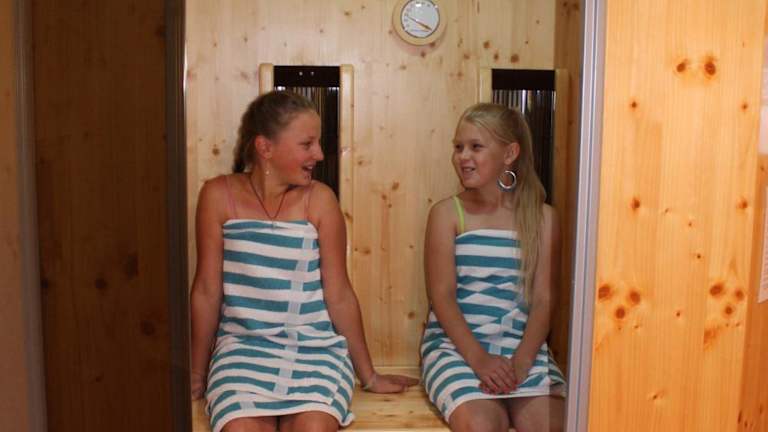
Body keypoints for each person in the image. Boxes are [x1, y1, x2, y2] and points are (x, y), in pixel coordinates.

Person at [190, 90, 418, 432]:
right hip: (242, 352)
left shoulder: (320, 200)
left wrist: (368, 376)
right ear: (265, 148)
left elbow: (339, 294)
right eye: (307, 144)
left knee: (313, 428)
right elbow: (207, 291)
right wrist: (196, 373)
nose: (320, 154)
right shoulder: (218, 196)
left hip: (315, 351)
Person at [420, 103, 566, 432]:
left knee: (550, 425)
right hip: (457, 349)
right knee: (482, 425)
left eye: (476, 147)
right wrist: (480, 360)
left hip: (522, 348)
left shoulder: (544, 218)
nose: (462, 157)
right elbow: (442, 297)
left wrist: (523, 361)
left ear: (510, 153)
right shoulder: (447, 214)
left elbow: (544, 299)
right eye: (458, 147)